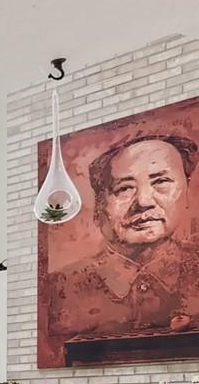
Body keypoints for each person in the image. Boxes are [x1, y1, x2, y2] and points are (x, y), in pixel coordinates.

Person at [45, 132, 199, 351]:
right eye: (124, 188)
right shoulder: (58, 288)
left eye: (162, 181)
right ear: (100, 206)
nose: (144, 202)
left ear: (187, 190)